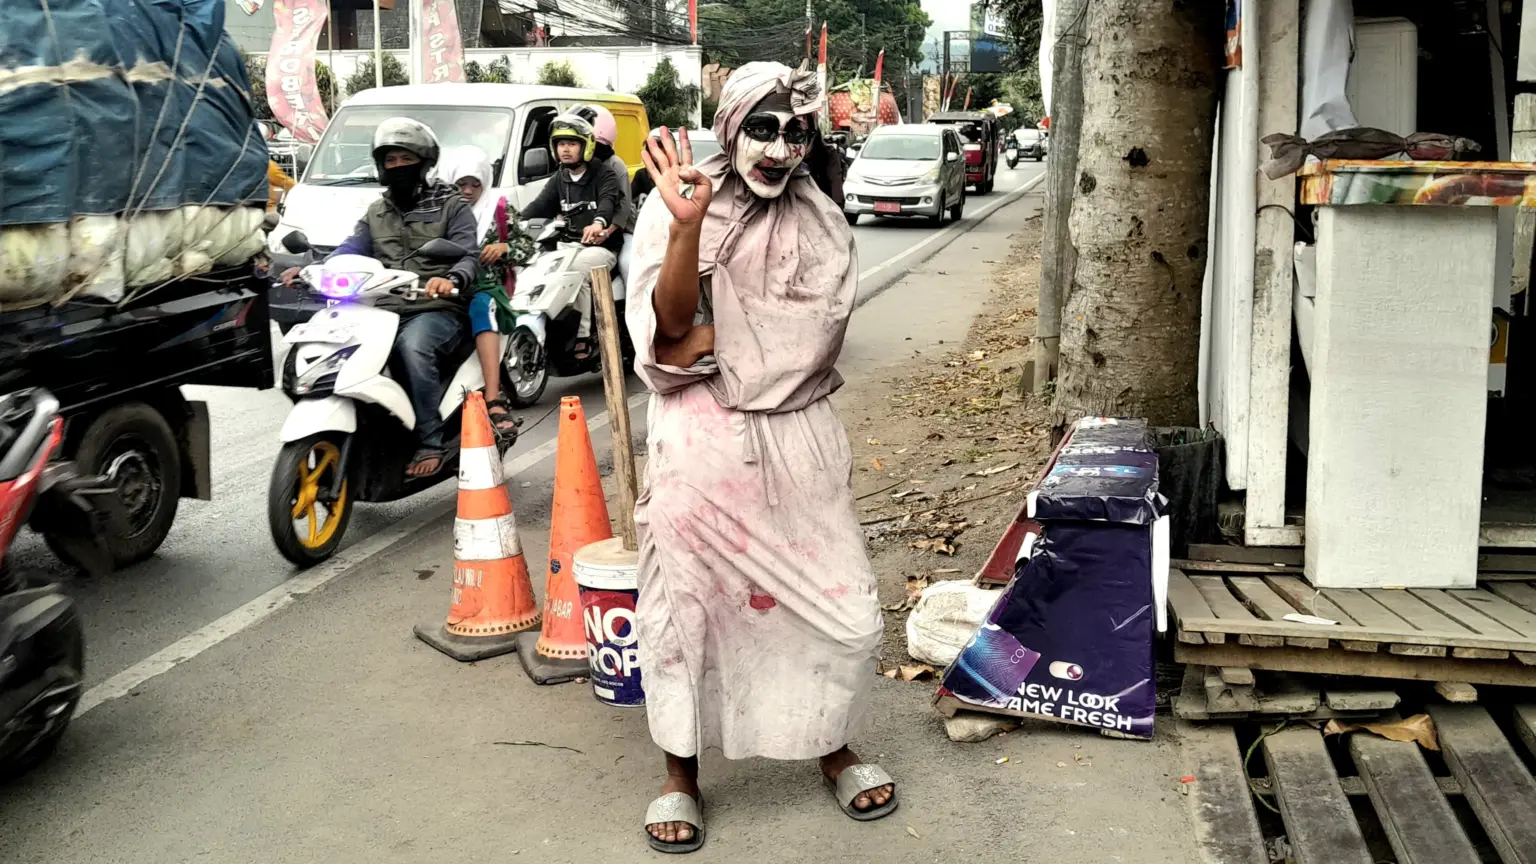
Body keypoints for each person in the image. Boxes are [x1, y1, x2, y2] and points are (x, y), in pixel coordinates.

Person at [627, 62, 895, 854]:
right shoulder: (678, 199)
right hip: (696, 442)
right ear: (731, 128)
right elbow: (669, 335)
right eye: (763, 129)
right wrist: (684, 229)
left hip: (798, 437)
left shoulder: (823, 224)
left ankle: (829, 742)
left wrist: (714, 340)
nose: (778, 149)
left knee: (845, 615)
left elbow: (810, 342)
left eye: (795, 132)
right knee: (685, 610)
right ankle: (680, 774)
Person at [281, 118, 478, 477]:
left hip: (435, 308)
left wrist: (449, 279)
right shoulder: (376, 212)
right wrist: (313, 269)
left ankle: (430, 441)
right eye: (391, 161)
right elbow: (349, 249)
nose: (398, 167)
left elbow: (468, 254)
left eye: (406, 159)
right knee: (328, 348)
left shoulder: (452, 205)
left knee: (412, 347)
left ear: (423, 161)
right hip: (380, 308)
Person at [437, 145, 535, 436]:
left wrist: (505, 247)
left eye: (473, 184)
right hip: (444, 284)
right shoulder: (440, 210)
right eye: (461, 184)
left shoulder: (499, 208)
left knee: (483, 310)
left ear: (484, 182)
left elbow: (528, 246)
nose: (467, 191)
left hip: (486, 286)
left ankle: (493, 396)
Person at [520, 113, 625, 361]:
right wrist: (509, 221)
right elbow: (537, 207)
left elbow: (608, 202)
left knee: (577, 270)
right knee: (540, 268)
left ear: (585, 146)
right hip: (567, 245)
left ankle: (582, 335)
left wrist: (599, 223)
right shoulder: (559, 178)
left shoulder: (603, 173)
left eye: (572, 143)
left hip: (602, 247)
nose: (565, 149)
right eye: (560, 144)